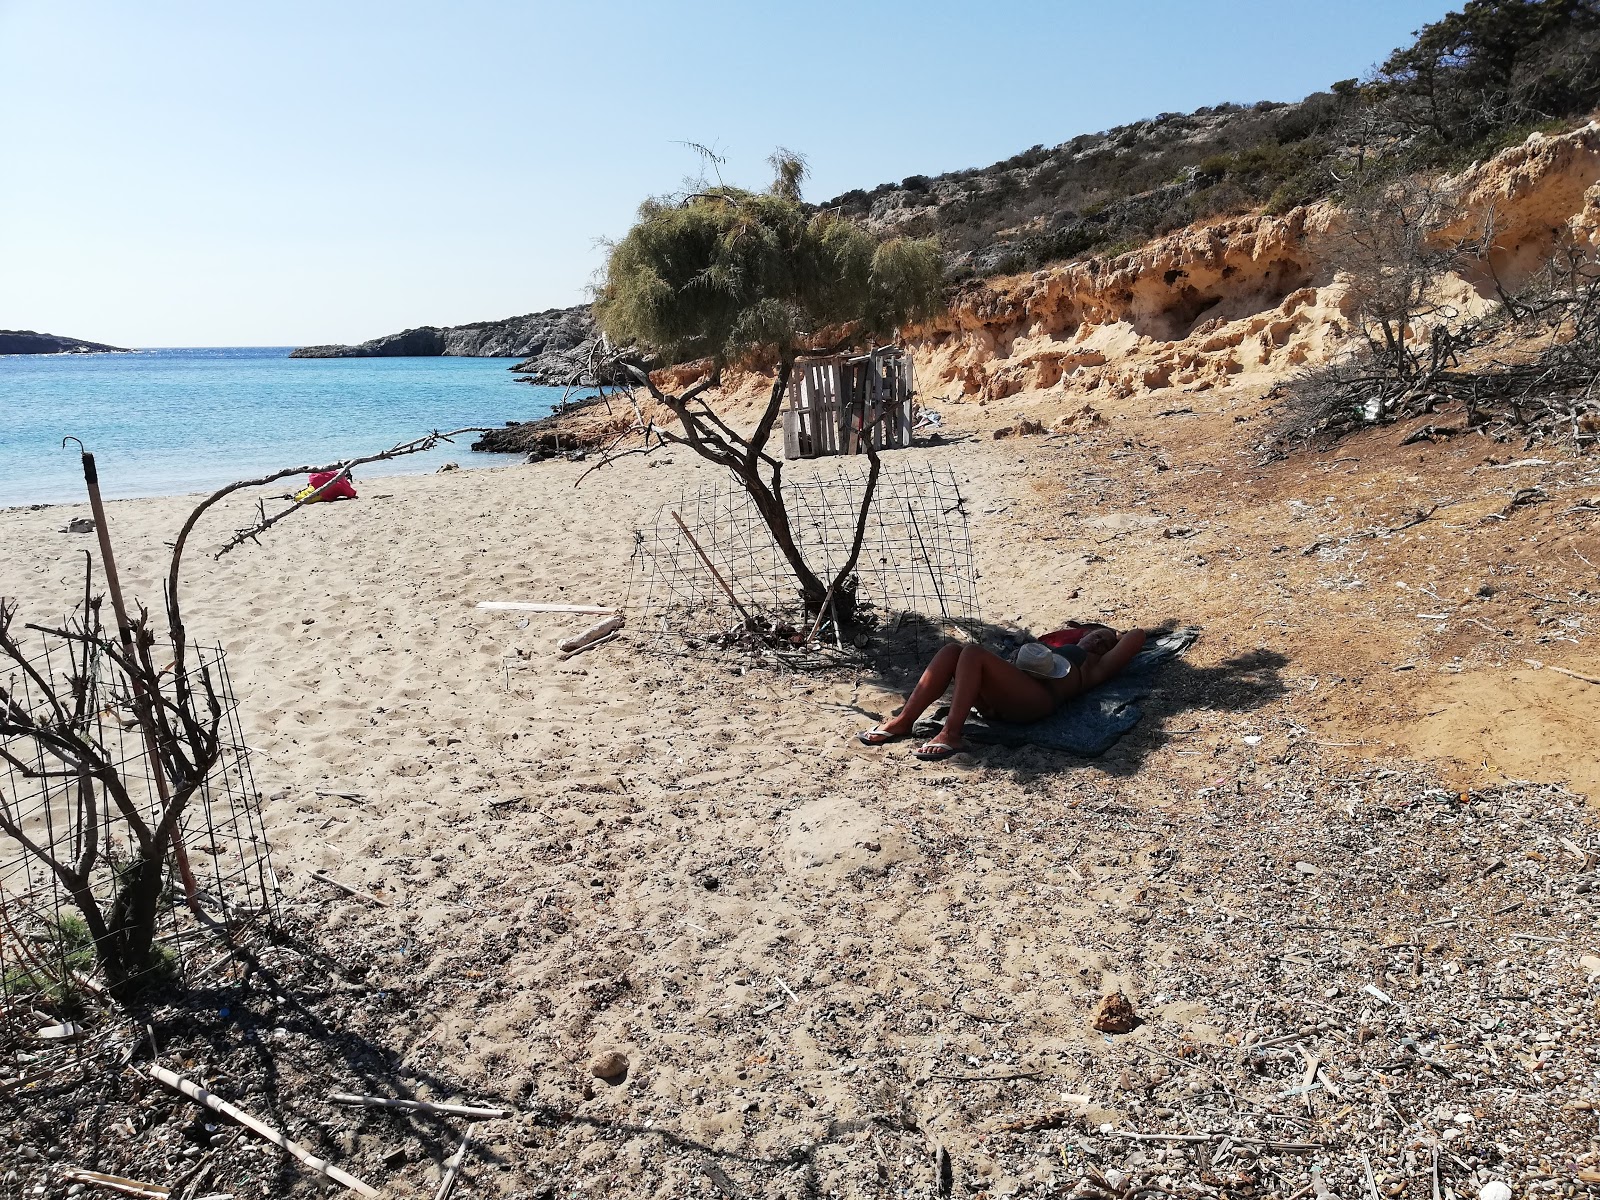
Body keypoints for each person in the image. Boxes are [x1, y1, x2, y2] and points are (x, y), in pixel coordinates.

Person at [859, 623, 1148, 761]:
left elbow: (1138, 636)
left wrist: (1116, 635)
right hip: (1006, 698)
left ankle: (952, 734)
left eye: (1105, 642)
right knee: (951, 651)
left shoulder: (1096, 668)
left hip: (1037, 701)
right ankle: (905, 720)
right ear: (1082, 633)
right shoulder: (1051, 650)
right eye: (1096, 635)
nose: (1099, 642)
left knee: (971, 652)